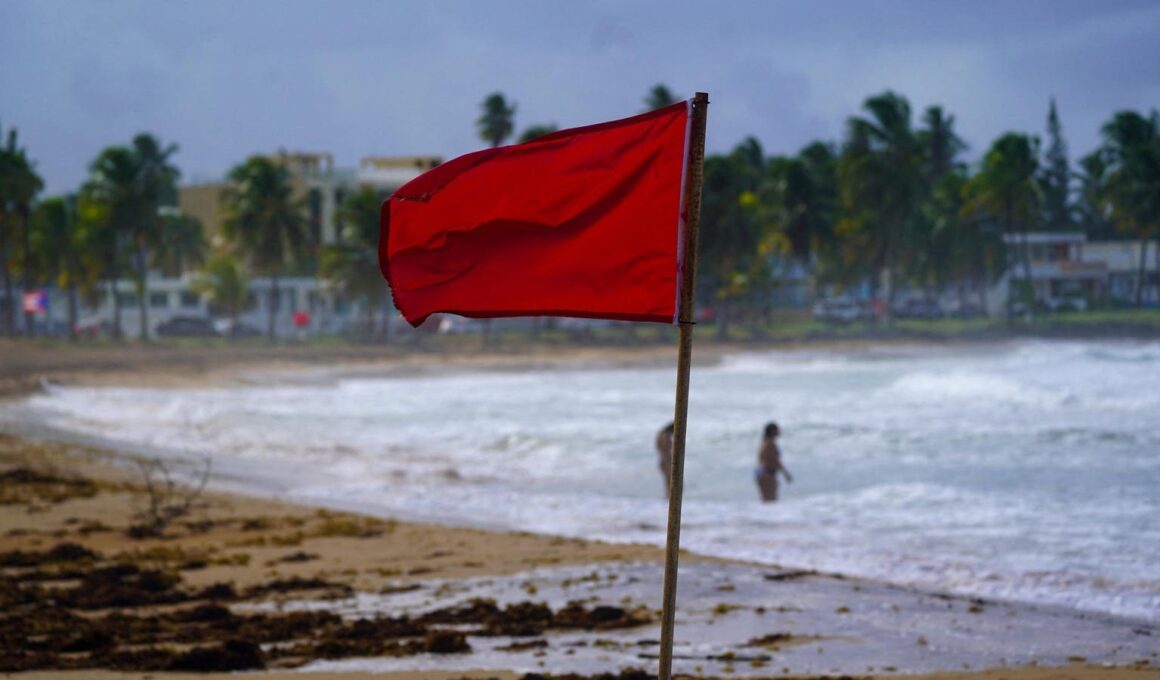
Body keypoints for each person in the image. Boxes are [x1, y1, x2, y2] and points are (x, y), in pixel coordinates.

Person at [755, 421, 793, 502]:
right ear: (773, 431)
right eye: (778, 430)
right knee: (770, 501)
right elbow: (774, 460)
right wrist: (785, 473)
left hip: (763, 472)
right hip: (767, 473)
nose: (780, 431)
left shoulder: (765, 442)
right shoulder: (770, 444)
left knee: (767, 501)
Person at [655, 421, 674, 499]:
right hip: (666, 462)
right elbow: (666, 450)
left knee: (668, 483)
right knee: (671, 483)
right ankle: (669, 500)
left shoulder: (661, 435)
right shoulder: (665, 436)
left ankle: (668, 500)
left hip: (663, 461)